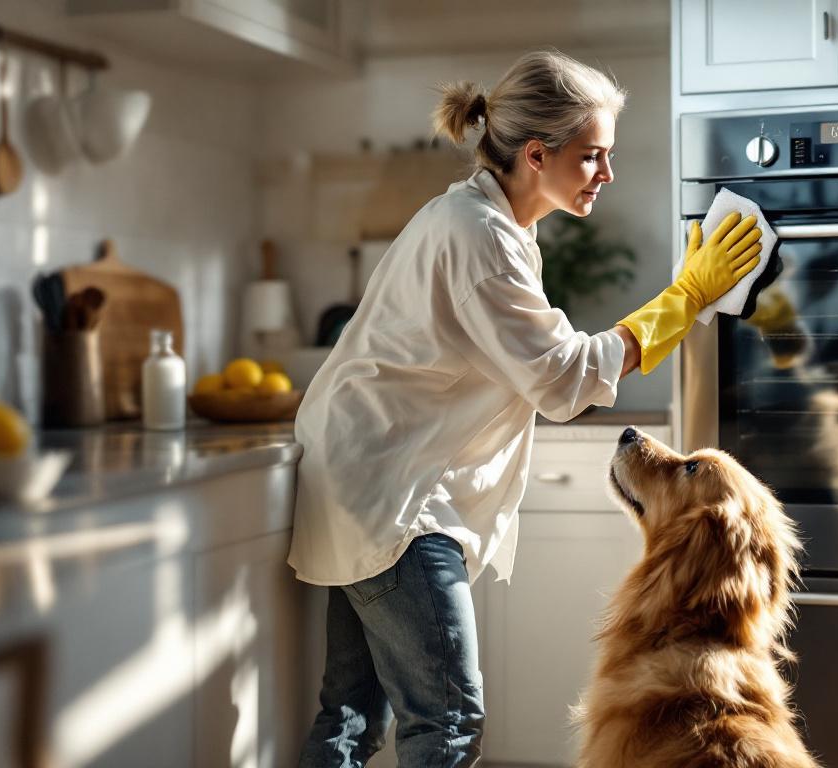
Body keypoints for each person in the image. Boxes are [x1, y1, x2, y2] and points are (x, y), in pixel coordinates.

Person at [290, 49, 761, 768]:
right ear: (537, 155)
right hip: (396, 500)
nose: (606, 174)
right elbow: (564, 381)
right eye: (593, 157)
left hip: (369, 480)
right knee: (448, 720)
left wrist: (682, 300)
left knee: (350, 718)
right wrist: (684, 300)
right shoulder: (480, 238)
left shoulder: (489, 225)